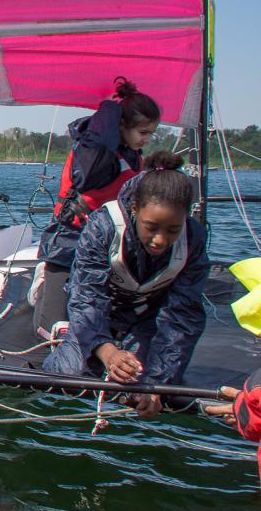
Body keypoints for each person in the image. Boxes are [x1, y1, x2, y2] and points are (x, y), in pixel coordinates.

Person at [43, 152, 209, 418]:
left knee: (139, 381)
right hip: (98, 313)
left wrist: (157, 384)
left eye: (172, 230)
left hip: (146, 317)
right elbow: (87, 296)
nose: (160, 240)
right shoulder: (104, 226)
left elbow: (182, 316)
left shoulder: (193, 240)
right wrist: (107, 352)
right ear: (134, 209)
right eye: (151, 227)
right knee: (70, 374)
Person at [34, 78, 161, 334]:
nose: (147, 139)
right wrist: (110, 112)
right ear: (121, 126)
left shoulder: (132, 156)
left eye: (151, 133)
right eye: (143, 132)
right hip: (70, 237)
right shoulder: (96, 154)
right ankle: (44, 283)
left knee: (95, 311)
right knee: (51, 327)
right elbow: (100, 146)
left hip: (104, 238)